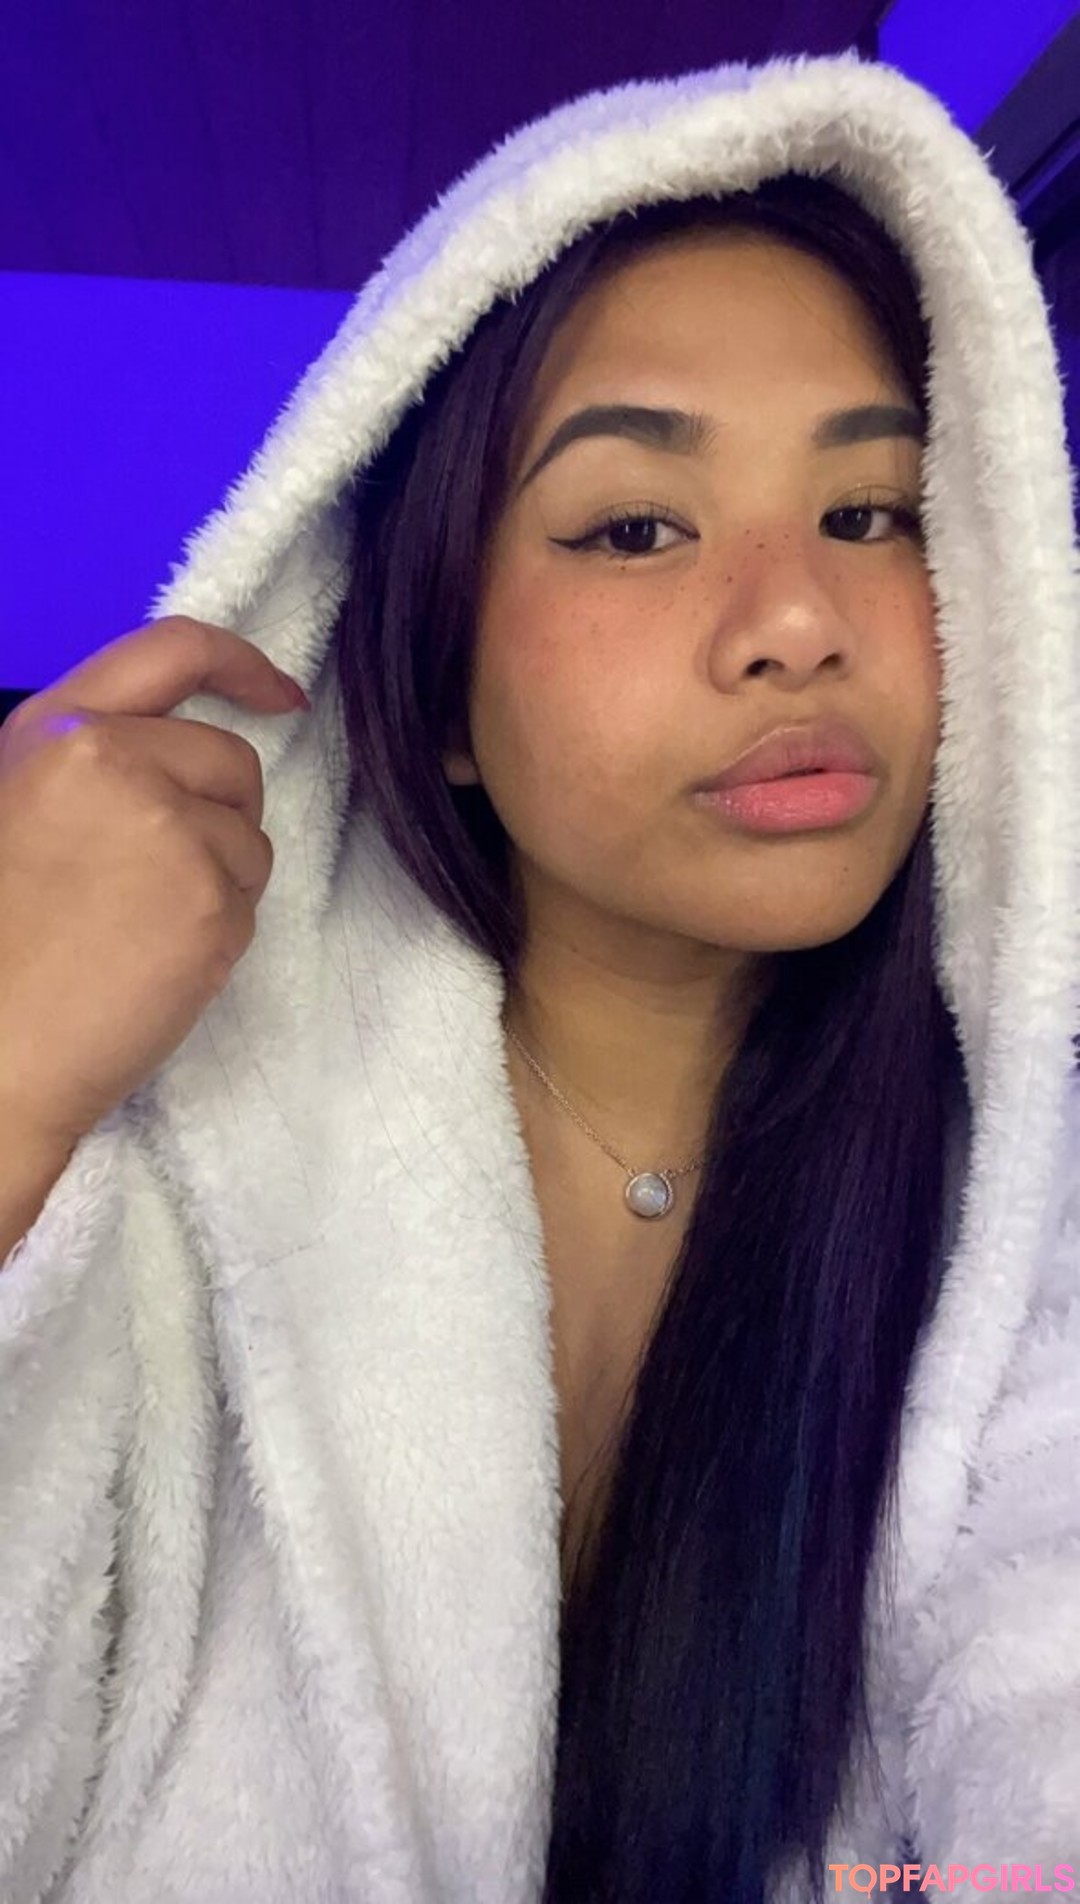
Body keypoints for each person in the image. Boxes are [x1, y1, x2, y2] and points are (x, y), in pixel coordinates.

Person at [0, 45, 1077, 1904]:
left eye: (873, 512)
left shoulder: (1025, 1229)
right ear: (437, 693)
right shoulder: (169, 1169)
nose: (800, 621)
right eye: (637, 527)